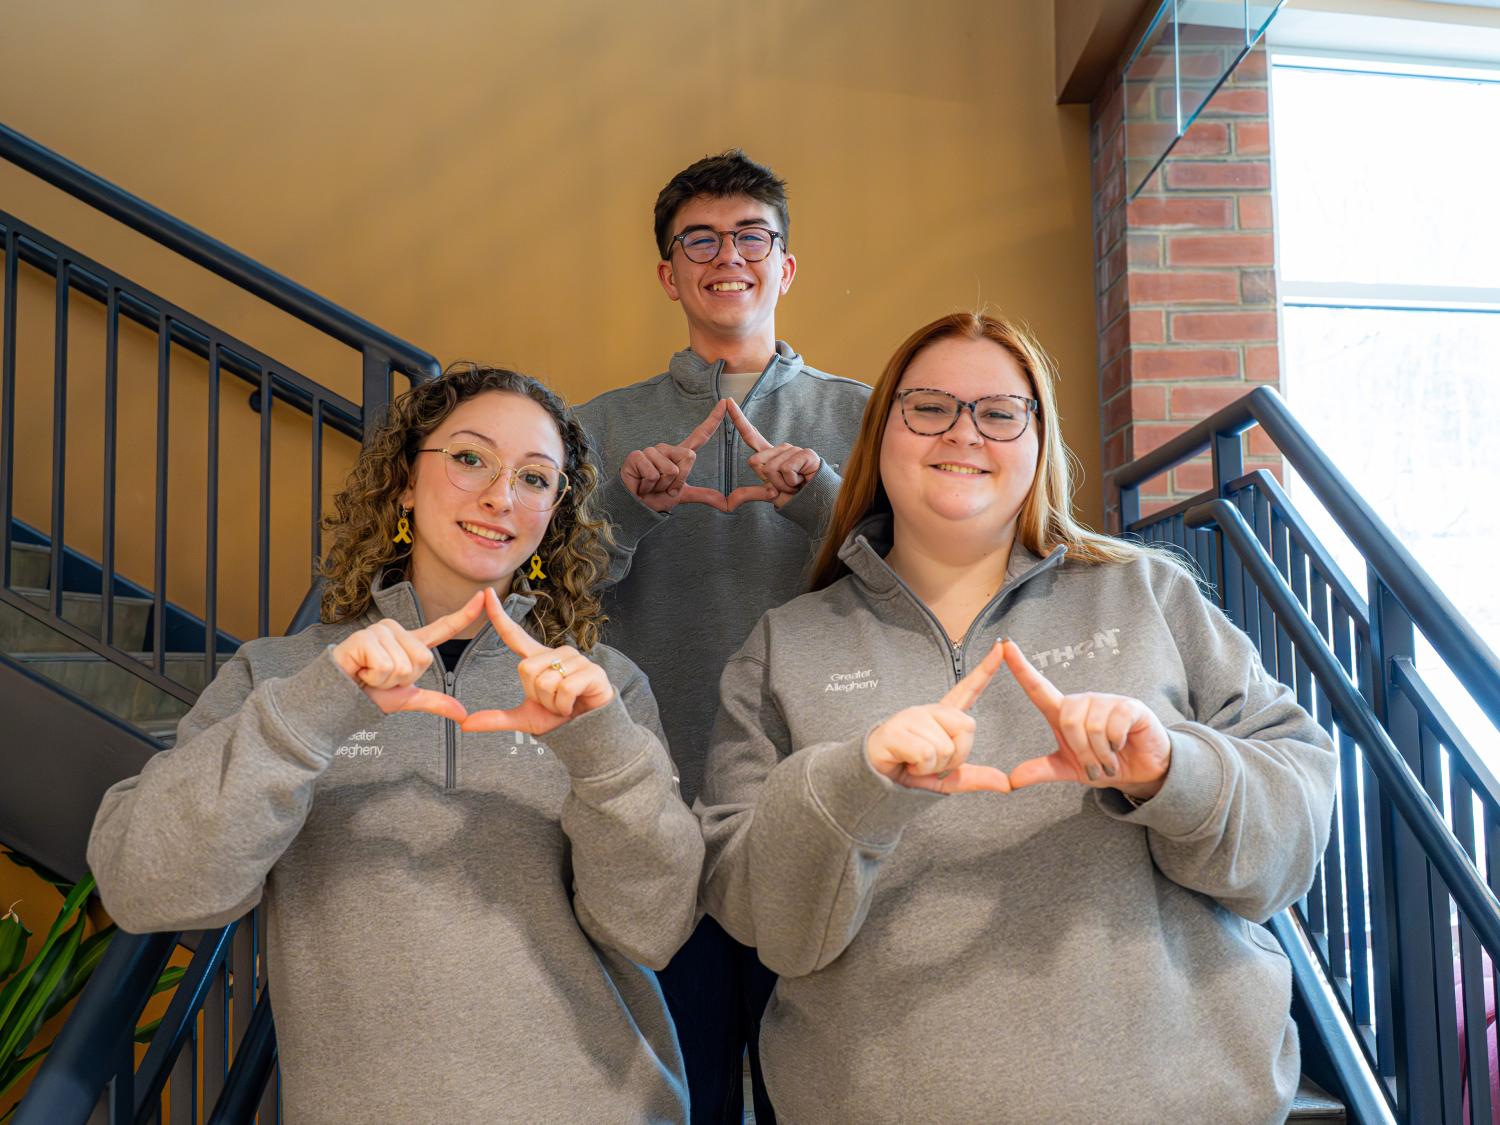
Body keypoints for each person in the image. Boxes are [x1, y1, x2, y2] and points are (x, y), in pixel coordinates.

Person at [696, 311, 1338, 1123]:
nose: (965, 432)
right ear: (879, 434)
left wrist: (1171, 770)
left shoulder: (1150, 593)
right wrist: (851, 784)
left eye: (1001, 412)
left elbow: (1294, 836)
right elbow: (762, 919)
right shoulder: (782, 647)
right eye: (928, 406)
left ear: (1038, 444)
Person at [87, 364, 703, 1123]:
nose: (500, 497)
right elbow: (143, 882)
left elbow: (656, 926)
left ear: (554, 513)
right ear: (406, 483)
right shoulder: (280, 675)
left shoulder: (603, 688)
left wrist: (601, 746)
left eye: (536, 477)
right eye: (470, 458)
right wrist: (314, 713)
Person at [575, 150, 869, 1122]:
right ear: (668, 273)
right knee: (681, 1095)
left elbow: (914, 584)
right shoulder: (591, 430)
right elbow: (549, 595)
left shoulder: (865, 417)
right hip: (657, 812)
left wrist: (819, 499)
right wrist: (626, 507)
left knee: (824, 1094)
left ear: (786, 266)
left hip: (823, 809)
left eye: (751, 236)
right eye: (699, 240)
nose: (726, 256)